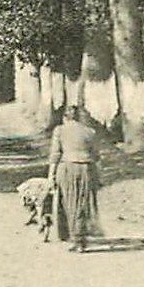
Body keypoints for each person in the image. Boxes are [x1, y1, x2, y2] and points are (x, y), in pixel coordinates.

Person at [48, 105, 102, 252]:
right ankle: (81, 239)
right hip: (87, 168)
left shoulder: (59, 130)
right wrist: (99, 175)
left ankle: (75, 238)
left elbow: (55, 155)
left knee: (69, 203)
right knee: (84, 203)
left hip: (67, 168)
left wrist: (50, 176)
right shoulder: (90, 132)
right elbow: (96, 156)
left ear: (65, 117)